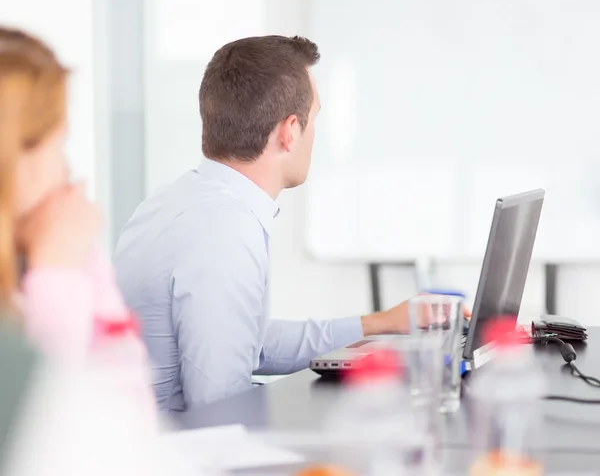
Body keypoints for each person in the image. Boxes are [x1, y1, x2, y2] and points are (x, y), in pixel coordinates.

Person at [114, 35, 416, 413]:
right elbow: (220, 408)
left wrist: (381, 323)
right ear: (290, 131)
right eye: (315, 118)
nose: (315, 135)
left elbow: (248, 344)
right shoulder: (224, 231)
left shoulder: (179, 200)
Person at [0, 27, 153, 415]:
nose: (67, 167)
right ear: (14, 159)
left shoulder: (47, 253)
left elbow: (130, 407)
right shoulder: (53, 266)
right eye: (59, 144)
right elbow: (39, 430)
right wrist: (56, 274)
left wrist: (83, 270)